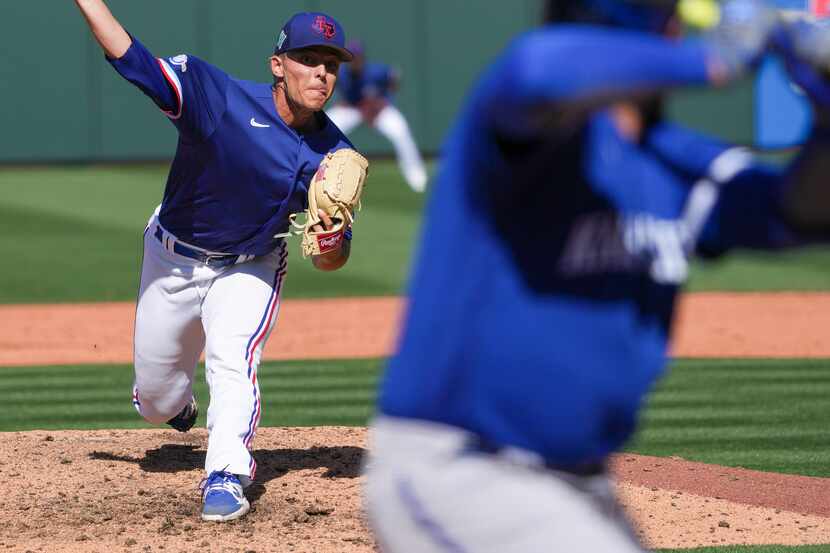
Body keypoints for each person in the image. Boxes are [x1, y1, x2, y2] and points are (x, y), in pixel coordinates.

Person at [363, 0, 830, 551]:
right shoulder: (527, 138)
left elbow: (795, 213)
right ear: (666, 30)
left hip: (577, 488)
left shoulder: (670, 164)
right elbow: (537, 67)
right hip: (464, 471)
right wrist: (716, 61)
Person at [74, 0, 358, 522]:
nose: (321, 72)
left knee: (233, 358)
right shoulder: (216, 96)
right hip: (173, 257)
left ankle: (226, 472)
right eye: (308, 59)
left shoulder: (334, 155)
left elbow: (331, 261)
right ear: (278, 64)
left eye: (331, 64)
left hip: (250, 263)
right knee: (155, 402)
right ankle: (175, 406)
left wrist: (332, 238)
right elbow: (132, 58)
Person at [327, 40, 429, 193]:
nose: (354, 60)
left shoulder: (375, 71)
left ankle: (415, 175)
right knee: (326, 124)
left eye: (357, 57)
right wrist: (342, 103)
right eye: (351, 57)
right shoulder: (341, 74)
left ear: (362, 58)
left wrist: (385, 100)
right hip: (353, 110)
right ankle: (318, 172)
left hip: (377, 111)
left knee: (400, 130)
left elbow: (394, 76)